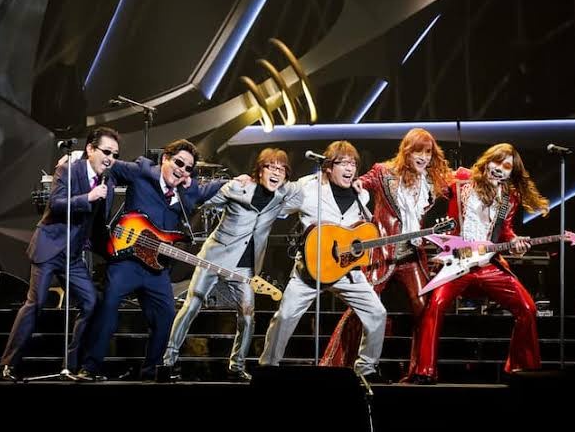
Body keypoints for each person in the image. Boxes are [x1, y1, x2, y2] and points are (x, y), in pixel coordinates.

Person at [76, 139, 229, 381]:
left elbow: (207, 190)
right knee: (108, 306)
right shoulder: (141, 172)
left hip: (156, 269)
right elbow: (108, 164)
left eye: (188, 168)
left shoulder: (187, 191)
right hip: (126, 262)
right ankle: (90, 367)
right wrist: (77, 158)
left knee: (166, 315)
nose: (182, 170)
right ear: (165, 159)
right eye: (178, 162)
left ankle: (152, 371)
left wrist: (236, 180)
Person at [157, 148, 303, 382]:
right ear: (259, 170)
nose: (276, 173)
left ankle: (236, 367)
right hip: (214, 257)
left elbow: (305, 188)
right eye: (271, 167)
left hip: (244, 266)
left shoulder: (281, 195)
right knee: (192, 305)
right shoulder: (237, 187)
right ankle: (167, 361)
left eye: (281, 169)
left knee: (247, 315)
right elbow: (203, 200)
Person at [319, 128, 452, 383]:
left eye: (428, 152)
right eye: (418, 151)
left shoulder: (431, 180)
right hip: (382, 253)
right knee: (361, 308)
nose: (423, 157)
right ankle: (333, 364)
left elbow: (461, 180)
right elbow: (364, 181)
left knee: (424, 307)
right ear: (407, 151)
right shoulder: (384, 171)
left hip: (411, 254)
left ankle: (421, 370)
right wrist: (359, 183)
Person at [414, 142, 549, 384]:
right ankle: (425, 371)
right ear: (487, 161)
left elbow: (505, 231)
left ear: (511, 173)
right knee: (435, 305)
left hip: (488, 265)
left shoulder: (508, 198)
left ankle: (522, 370)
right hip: (457, 263)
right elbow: (431, 181)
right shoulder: (462, 179)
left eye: (506, 166)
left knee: (528, 308)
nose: (499, 169)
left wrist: (515, 241)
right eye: (497, 162)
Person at [258, 141, 387, 383]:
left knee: (377, 313)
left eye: (353, 164)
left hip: (346, 272)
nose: (350, 168)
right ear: (328, 166)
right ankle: (268, 368)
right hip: (310, 271)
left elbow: (359, 231)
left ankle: (367, 369)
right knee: (284, 317)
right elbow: (278, 208)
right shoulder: (308, 188)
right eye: (343, 163)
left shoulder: (362, 195)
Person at [0, 127, 120, 381]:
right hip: (49, 247)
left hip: (72, 257)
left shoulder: (108, 184)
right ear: (90, 149)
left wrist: (114, 253)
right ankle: (9, 364)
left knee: (90, 302)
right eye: (106, 152)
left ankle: (72, 365)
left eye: (115, 155)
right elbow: (55, 204)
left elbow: (98, 227)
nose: (110, 158)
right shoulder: (69, 170)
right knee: (36, 302)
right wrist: (88, 197)